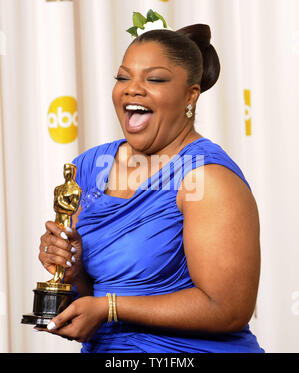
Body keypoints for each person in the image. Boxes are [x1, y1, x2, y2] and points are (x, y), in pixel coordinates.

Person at [38, 21, 264, 353]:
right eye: (123, 77)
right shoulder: (88, 167)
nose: (132, 89)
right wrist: (71, 272)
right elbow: (90, 301)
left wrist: (110, 307)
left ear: (191, 95)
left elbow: (227, 309)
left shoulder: (207, 178)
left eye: (154, 79)